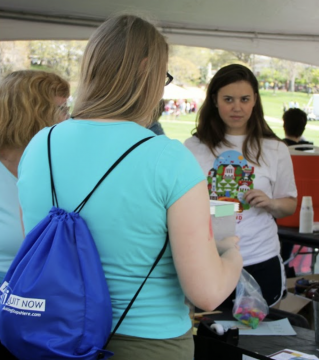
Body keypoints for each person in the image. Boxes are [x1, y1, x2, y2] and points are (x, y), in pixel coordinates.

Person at [16, 15, 242, 360]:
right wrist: (232, 256)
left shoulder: (39, 145)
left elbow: (35, 244)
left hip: (52, 337)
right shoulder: (168, 157)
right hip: (146, 342)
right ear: (146, 70)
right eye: (163, 77)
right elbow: (207, 293)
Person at [184, 64, 297, 307]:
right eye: (228, 99)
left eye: (244, 99)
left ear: (255, 100)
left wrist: (271, 203)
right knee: (210, 337)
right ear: (214, 100)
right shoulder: (193, 148)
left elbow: (289, 205)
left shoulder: (275, 149)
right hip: (207, 260)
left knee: (259, 339)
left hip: (260, 259)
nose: (237, 107)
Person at [0, 70, 69, 282]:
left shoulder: (62, 167)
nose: (69, 118)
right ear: (29, 114)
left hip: (45, 293)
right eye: (61, 109)